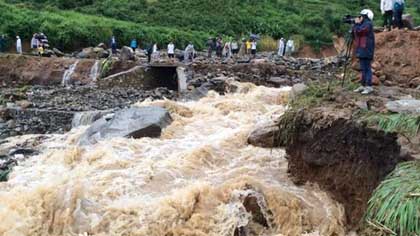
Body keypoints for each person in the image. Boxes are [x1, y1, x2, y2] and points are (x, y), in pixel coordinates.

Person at [353, 9, 375, 95]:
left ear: (365, 16)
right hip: (362, 49)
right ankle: (363, 85)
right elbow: (356, 33)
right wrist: (355, 25)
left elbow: (360, 31)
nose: (359, 17)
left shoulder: (368, 24)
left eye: (361, 16)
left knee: (367, 68)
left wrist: (357, 24)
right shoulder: (363, 24)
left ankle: (369, 86)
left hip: (367, 49)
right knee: (363, 68)